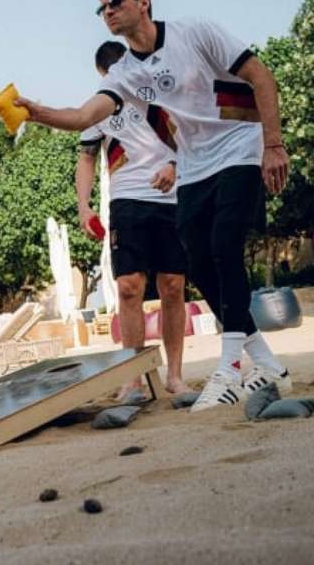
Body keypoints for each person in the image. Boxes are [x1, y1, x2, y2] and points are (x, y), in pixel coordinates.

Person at [15, 0, 292, 412]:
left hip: (240, 145)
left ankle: (230, 369)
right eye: (102, 7)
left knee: (223, 247)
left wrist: (273, 145)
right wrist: (37, 113)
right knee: (199, 264)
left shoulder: (195, 32)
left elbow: (261, 77)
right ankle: (265, 362)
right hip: (195, 163)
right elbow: (84, 115)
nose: (107, 12)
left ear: (144, 2)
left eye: (116, 2)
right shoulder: (125, 74)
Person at [78, 40, 191, 397]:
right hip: (125, 201)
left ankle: (174, 375)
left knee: (173, 285)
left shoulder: (160, 93)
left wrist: (175, 166)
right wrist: (84, 206)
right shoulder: (98, 105)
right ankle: (133, 379)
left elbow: (191, 138)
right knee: (128, 288)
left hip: (172, 199)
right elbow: (86, 158)